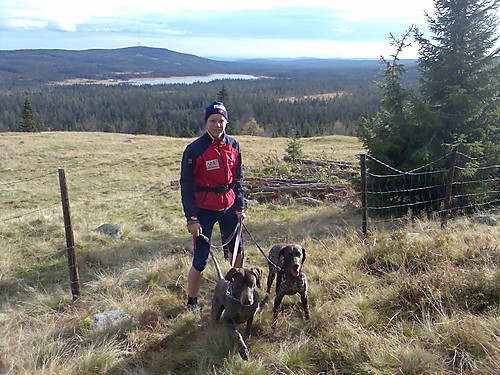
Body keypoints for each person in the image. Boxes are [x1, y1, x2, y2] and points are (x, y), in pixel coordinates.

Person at [180, 101, 246, 309]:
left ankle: (237, 295)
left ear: (226, 122)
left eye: (221, 121)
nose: (217, 125)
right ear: (206, 122)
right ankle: (192, 302)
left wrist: (240, 207)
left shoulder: (234, 146)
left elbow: (238, 179)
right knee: (200, 260)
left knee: (236, 254)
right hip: (203, 211)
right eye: (213, 121)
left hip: (228, 207)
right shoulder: (194, 150)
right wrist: (192, 218)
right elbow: (186, 186)